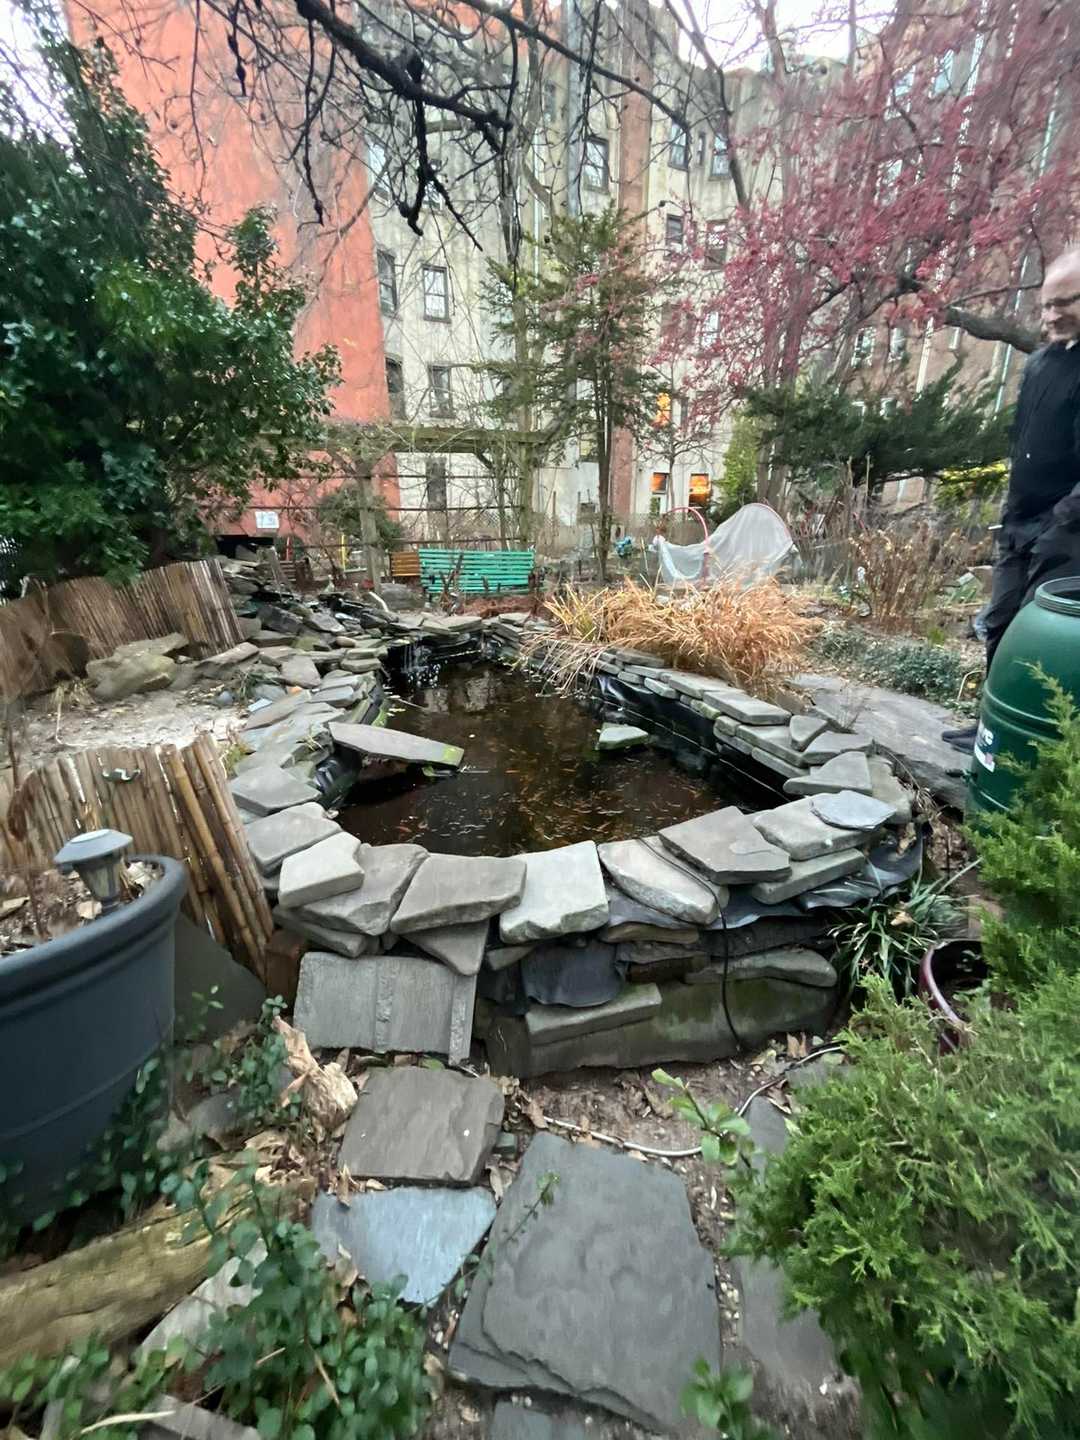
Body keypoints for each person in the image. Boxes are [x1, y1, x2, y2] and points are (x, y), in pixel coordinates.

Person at [943, 250, 1080, 752]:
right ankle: (989, 723)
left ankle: (1027, 744)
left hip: (1065, 532)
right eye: (1046, 305)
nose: (1051, 315)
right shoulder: (1042, 362)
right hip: (1019, 521)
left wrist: (1059, 524)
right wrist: (1010, 511)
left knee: (1036, 635)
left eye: (1065, 302)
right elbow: (1023, 440)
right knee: (1000, 622)